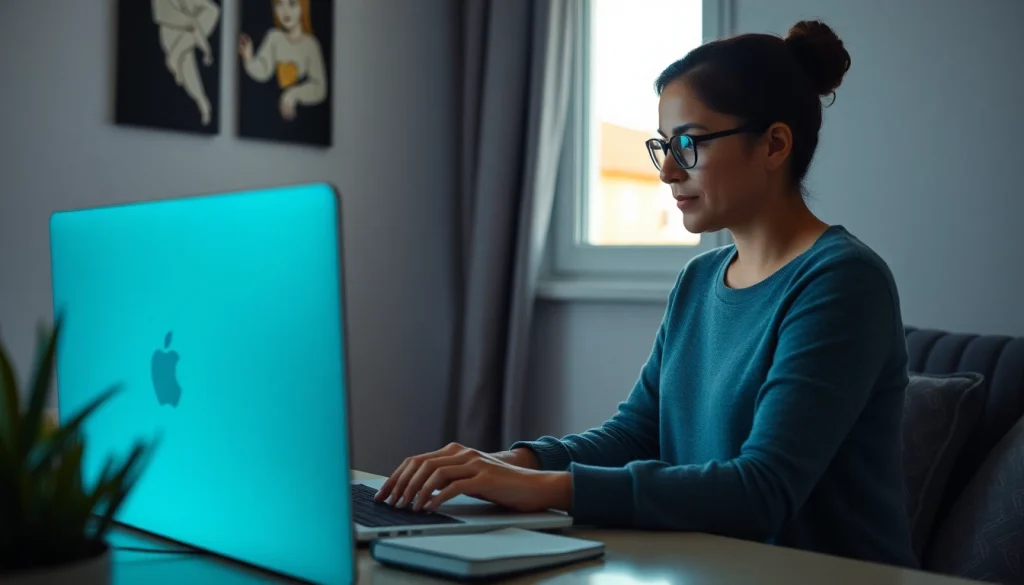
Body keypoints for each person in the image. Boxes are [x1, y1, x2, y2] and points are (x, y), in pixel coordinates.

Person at [374, 20, 918, 569]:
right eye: (664, 146)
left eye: (689, 143)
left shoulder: (842, 281)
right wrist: (509, 463)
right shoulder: (699, 280)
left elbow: (761, 491)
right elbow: (637, 433)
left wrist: (539, 489)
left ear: (774, 143)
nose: (667, 171)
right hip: (711, 568)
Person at [238, 0, 328, 121]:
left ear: (303, 7)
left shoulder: (311, 45)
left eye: (292, 4)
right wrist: (249, 58)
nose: (285, 11)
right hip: (266, 119)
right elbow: (264, 70)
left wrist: (292, 94)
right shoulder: (274, 37)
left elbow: (319, 87)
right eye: (279, 4)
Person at [152, 0, 220, 126]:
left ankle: (175, 54)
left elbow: (198, 21)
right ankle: (202, 102)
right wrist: (205, 48)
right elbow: (163, 14)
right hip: (172, 30)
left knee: (212, 12)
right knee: (188, 70)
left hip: (186, 32)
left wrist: (205, 48)